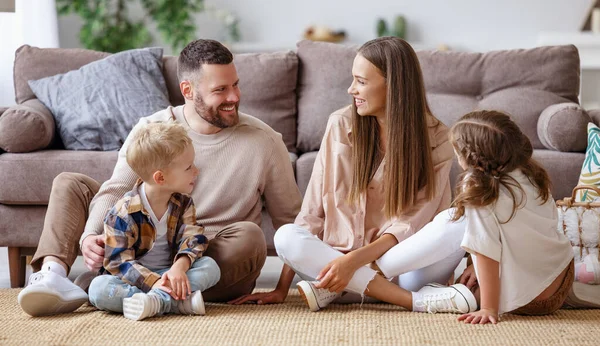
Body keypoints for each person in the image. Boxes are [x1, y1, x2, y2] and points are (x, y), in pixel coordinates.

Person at [17, 39, 302, 316]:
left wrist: (281, 288)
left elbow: (291, 223)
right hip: (141, 253)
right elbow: (117, 189)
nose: (234, 97)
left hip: (206, 260)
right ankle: (53, 276)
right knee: (70, 184)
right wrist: (90, 236)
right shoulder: (154, 128)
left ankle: (121, 291)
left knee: (250, 237)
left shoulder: (265, 141)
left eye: (236, 85)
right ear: (188, 90)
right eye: (221, 89)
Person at [231, 36, 477, 314]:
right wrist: (280, 288)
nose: (351, 90)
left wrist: (352, 265)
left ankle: (353, 288)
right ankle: (414, 301)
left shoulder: (438, 138)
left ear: (393, 85)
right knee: (286, 236)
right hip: (338, 265)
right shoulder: (340, 124)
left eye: (361, 81)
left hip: (406, 269)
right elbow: (311, 213)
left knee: (461, 221)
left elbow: (410, 223)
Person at [449, 110, 600, 324]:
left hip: (531, 302)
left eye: (458, 152)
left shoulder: (478, 190)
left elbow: (485, 250)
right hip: (563, 274)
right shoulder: (531, 173)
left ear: (476, 161)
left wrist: (489, 308)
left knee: (462, 290)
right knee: (473, 271)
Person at [87, 122, 220, 321]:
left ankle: (156, 302)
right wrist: (154, 282)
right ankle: (175, 302)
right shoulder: (122, 213)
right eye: (188, 167)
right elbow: (119, 263)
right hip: (134, 280)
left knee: (210, 267)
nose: (196, 171)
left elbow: (193, 238)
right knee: (99, 289)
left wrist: (179, 268)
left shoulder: (183, 203)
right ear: (160, 178)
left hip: (171, 273)